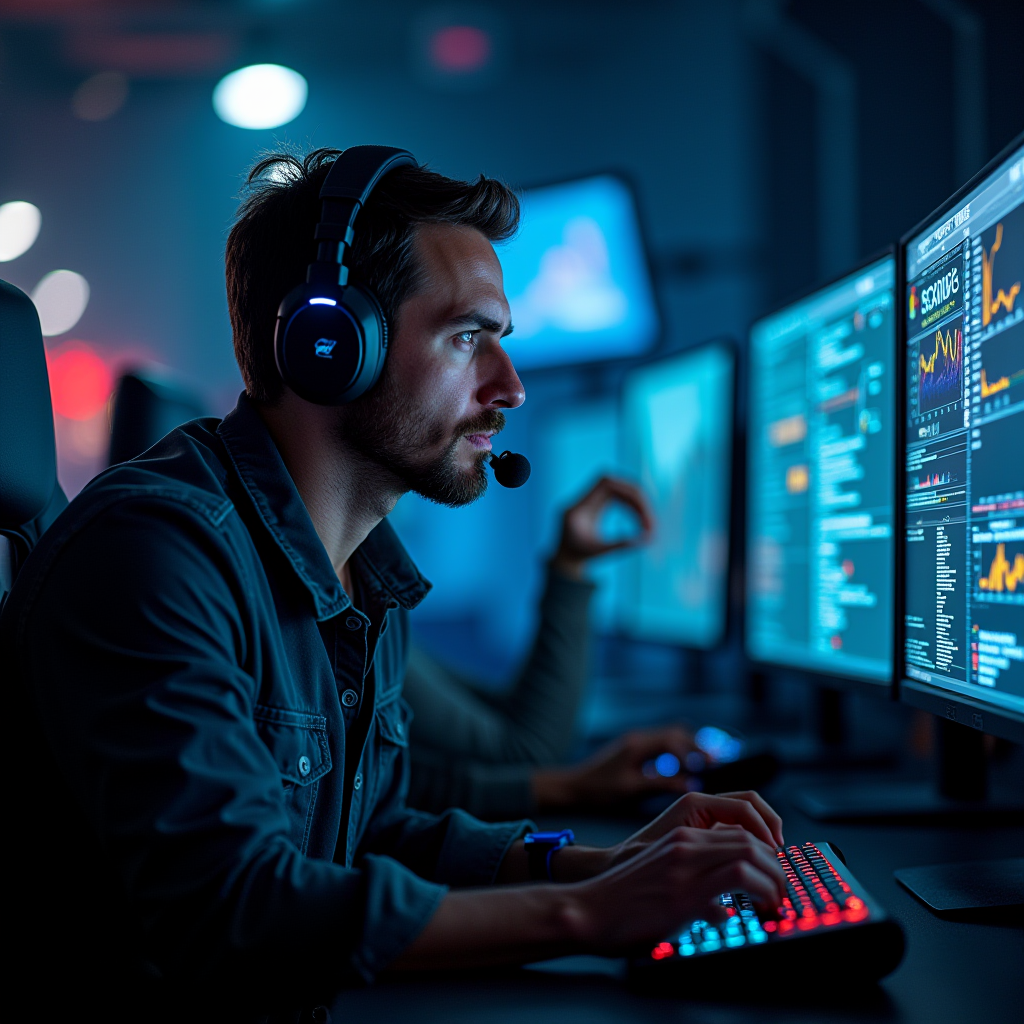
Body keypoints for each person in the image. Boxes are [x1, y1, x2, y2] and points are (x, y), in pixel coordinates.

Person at [3, 147, 785, 1021]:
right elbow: (236, 911)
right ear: (328, 344)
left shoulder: (361, 574)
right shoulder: (154, 554)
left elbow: (368, 830)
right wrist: (594, 914)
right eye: (466, 338)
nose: (511, 388)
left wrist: (603, 864)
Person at [405, 475, 702, 820]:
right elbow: (523, 751)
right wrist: (572, 790)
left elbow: (505, 725)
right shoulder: (342, 614)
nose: (505, 416)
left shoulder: (370, 590)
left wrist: (570, 561)